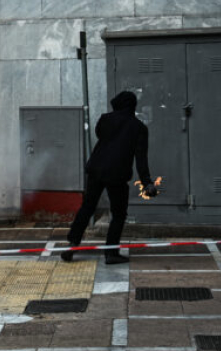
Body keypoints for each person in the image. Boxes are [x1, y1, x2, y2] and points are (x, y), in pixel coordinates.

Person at [62, 91, 158, 265]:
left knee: (87, 207)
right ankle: (111, 253)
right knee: (119, 214)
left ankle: (72, 244)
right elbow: (141, 160)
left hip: (96, 169)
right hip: (117, 174)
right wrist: (147, 183)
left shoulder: (105, 119)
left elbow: (100, 135)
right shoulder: (139, 128)